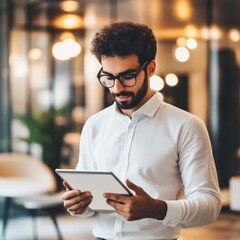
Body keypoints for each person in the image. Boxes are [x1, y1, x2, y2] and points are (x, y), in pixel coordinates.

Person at [61, 21, 221, 240]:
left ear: (151, 68)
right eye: (108, 77)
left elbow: (210, 205)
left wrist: (158, 209)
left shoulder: (186, 126)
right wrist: (78, 205)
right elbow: (89, 202)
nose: (117, 88)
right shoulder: (94, 125)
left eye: (128, 76)